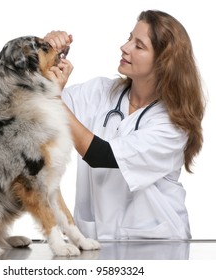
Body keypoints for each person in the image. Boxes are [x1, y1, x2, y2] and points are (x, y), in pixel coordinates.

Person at [44, 10, 205, 240]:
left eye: (138, 46)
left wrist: (54, 99)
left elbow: (101, 155)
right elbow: (34, 109)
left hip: (158, 248)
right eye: (130, 38)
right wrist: (44, 53)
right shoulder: (100, 92)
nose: (125, 47)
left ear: (163, 63)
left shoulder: (172, 125)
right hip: (99, 241)